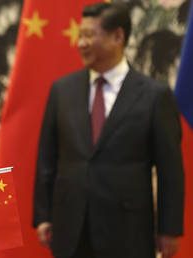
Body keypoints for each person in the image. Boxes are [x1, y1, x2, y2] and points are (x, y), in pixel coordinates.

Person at [33, 3, 184, 258]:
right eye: (80, 35)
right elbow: (47, 159)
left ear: (118, 37)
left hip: (127, 233)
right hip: (70, 230)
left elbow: (170, 170)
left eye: (89, 35)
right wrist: (43, 214)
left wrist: (169, 229)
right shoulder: (62, 90)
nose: (81, 43)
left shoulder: (154, 96)